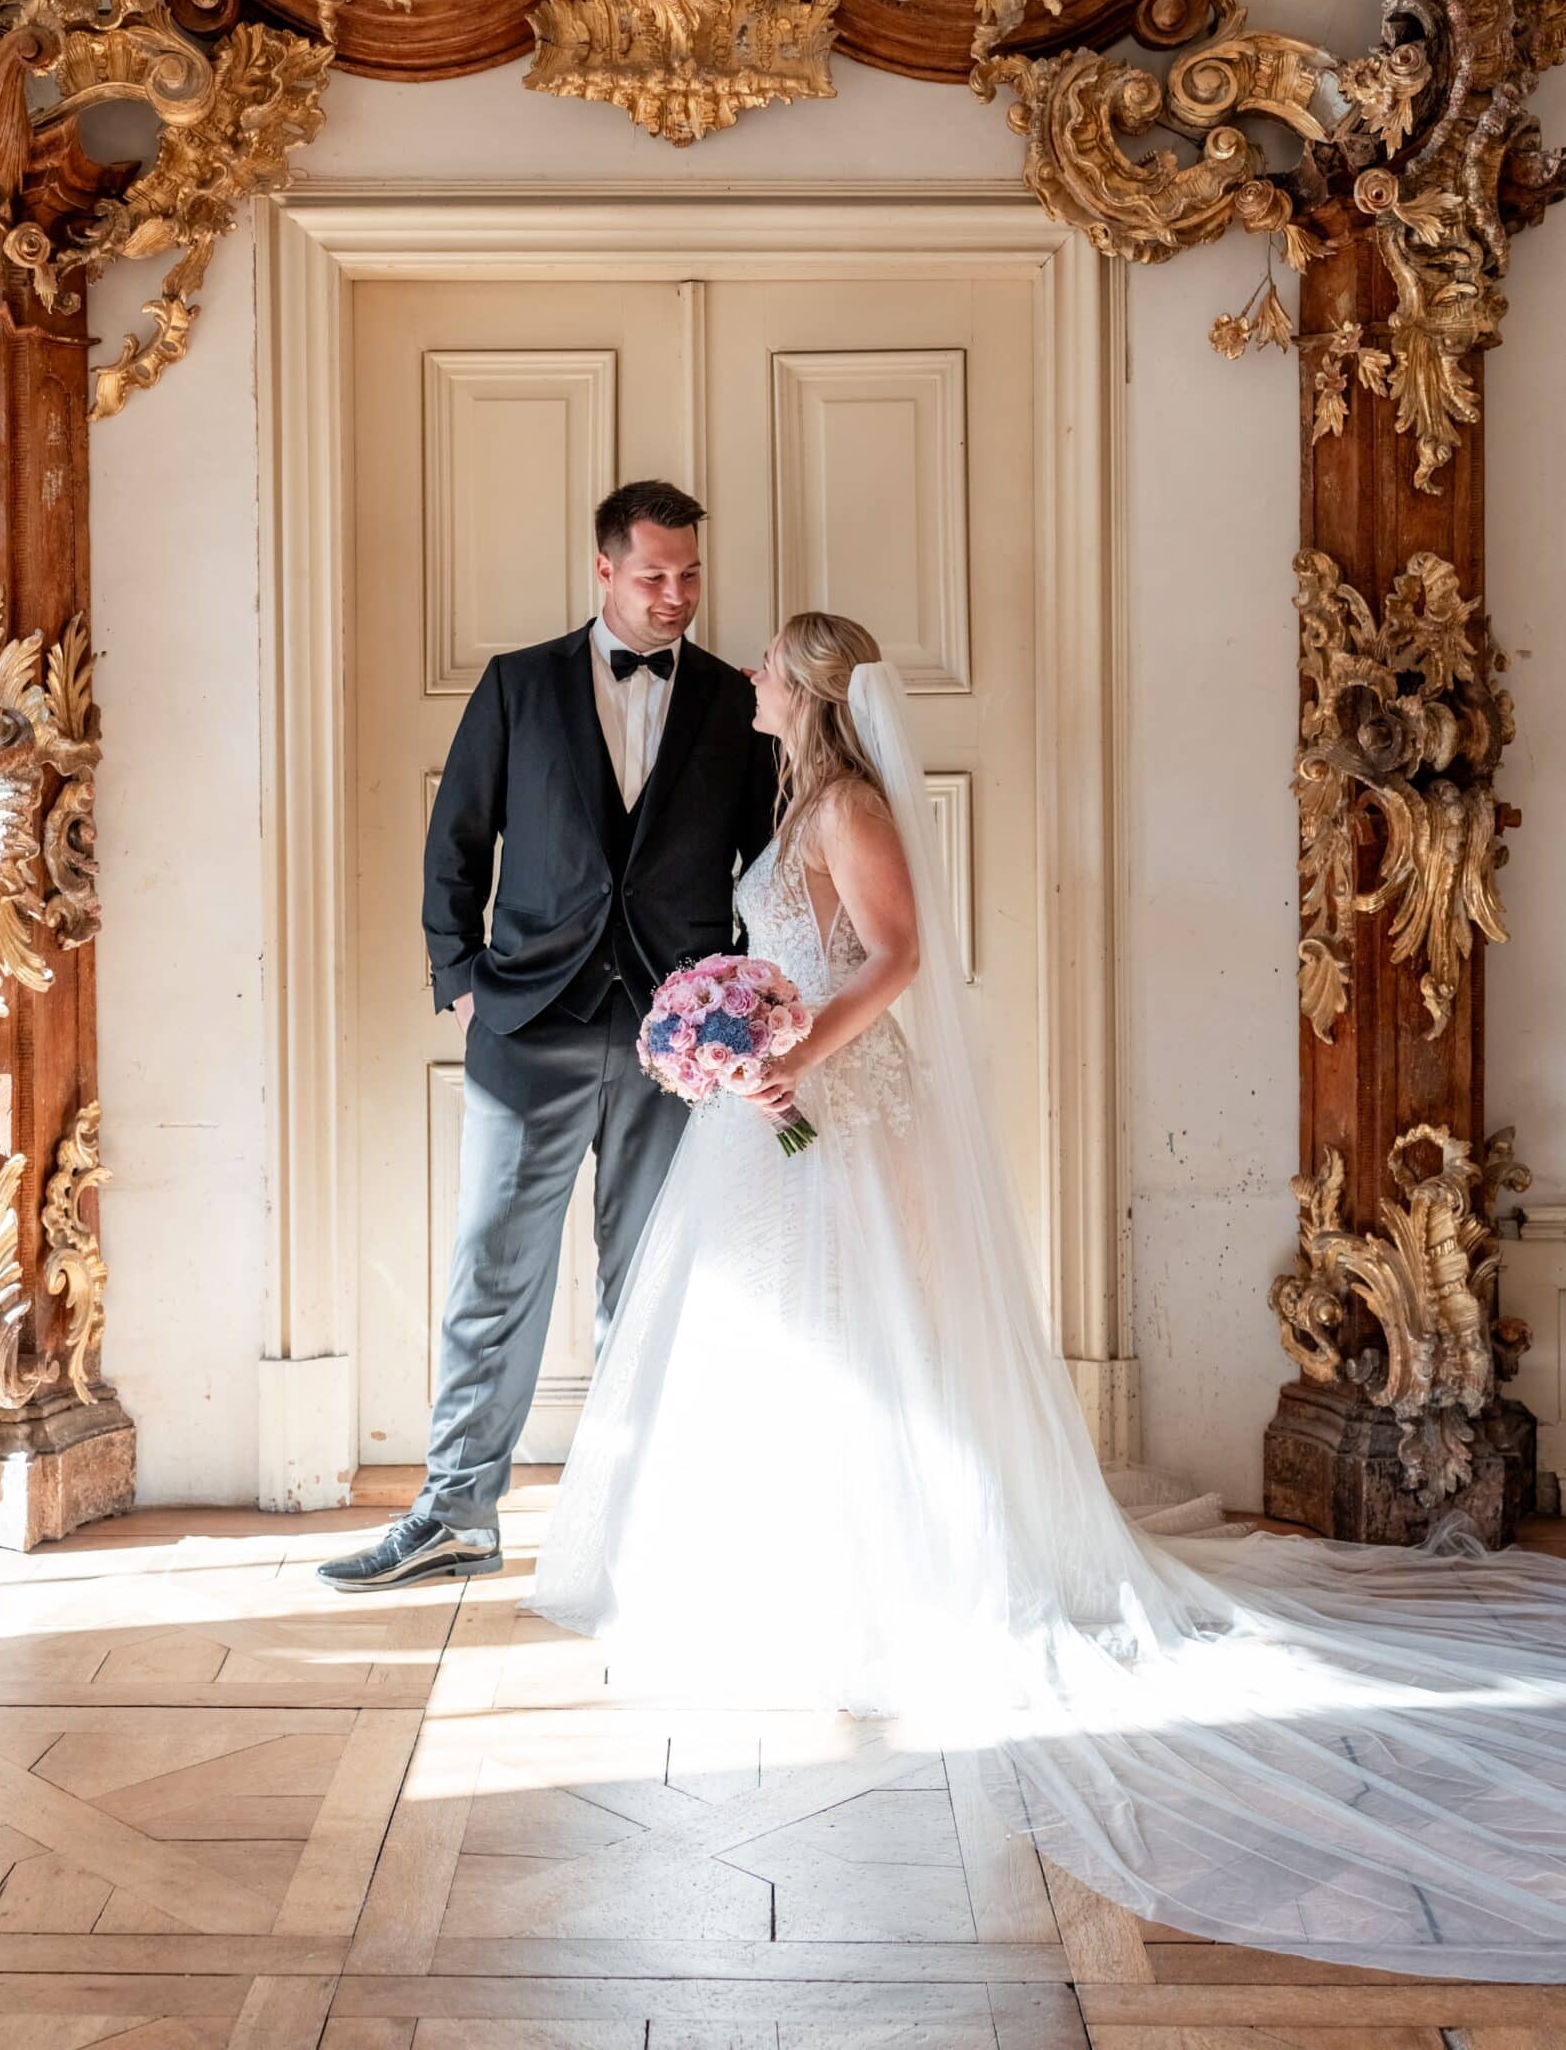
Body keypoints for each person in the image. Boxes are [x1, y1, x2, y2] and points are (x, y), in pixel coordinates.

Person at [530, 609, 1566, 1979]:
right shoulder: (795, 798)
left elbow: (896, 959)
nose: (754, 678)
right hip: (783, 1109)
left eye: (773, 666)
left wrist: (794, 1050)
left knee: (865, 1334)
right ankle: (769, 1566)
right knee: (778, 1334)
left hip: (838, 1108)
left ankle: (884, 1576)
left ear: (814, 690)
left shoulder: (845, 804)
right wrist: (741, 1032)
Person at [319, 481, 776, 1594]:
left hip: (681, 1043)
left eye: (690, 575)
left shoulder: (732, 701)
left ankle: (629, 1523)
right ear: (604, 570)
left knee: (651, 1280)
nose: (676, 595)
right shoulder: (518, 685)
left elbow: (764, 862)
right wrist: (462, 984)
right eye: (654, 575)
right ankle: (455, 1513)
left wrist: (746, 1009)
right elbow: (455, 841)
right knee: (495, 1273)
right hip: (527, 1026)